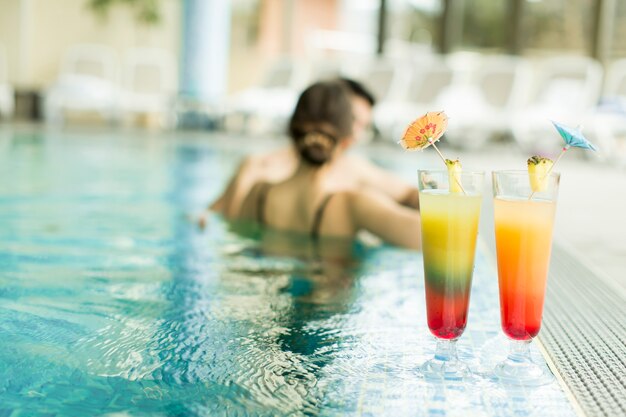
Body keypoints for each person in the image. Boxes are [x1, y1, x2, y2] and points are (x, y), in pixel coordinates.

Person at [226, 80, 422, 249]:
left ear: (291, 131)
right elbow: (434, 239)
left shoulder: (257, 195)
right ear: (346, 140)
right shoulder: (354, 205)